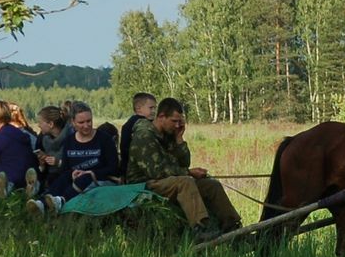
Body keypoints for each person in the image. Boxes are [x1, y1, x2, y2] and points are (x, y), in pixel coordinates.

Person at [124, 97, 242, 242]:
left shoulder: (168, 134)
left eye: (180, 121)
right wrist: (189, 172)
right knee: (185, 182)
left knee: (212, 185)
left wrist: (179, 138)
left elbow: (184, 162)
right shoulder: (144, 136)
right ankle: (200, 228)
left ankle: (233, 227)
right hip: (145, 183)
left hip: (166, 180)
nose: (177, 125)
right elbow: (156, 172)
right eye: (174, 121)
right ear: (161, 117)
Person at [29, 102, 120, 215]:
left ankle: (61, 201)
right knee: (64, 177)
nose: (86, 125)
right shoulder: (70, 141)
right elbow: (65, 168)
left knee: (84, 177)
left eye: (89, 121)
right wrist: (72, 174)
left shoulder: (104, 139)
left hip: (99, 179)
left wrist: (91, 172)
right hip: (76, 177)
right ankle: (41, 203)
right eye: (81, 122)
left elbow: (113, 167)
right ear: (73, 123)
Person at [119, 92, 156, 178]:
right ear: (138, 109)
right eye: (151, 108)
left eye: (155, 108)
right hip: (137, 172)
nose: (154, 111)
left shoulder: (128, 124)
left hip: (128, 169)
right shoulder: (143, 124)